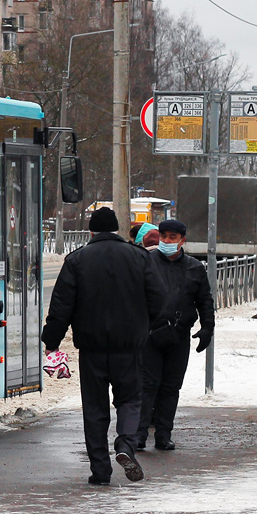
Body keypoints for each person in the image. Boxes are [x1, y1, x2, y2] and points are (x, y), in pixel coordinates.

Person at [43, 207, 165, 485]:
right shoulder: (139, 258)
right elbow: (158, 299)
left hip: (92, 349)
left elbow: (61, 306)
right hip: (129, 346)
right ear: (118, 229)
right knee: (131, 400)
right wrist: (143, 327)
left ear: (90, 232)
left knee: (95, 409)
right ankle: (125, 446)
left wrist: (52, 341)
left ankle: (100, 471)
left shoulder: (77, 260)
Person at [136, 219, 215, 451]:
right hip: (150, 335)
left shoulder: (194, 268)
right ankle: (139, 434)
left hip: (179, 335)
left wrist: (207, 327)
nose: (167, 241)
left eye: (172, 237)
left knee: (171, 387)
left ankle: (163, 434)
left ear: (182, 241)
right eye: (163, 237)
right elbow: (133, 296)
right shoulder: (146, 262)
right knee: (147, 386)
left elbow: (204, 300)